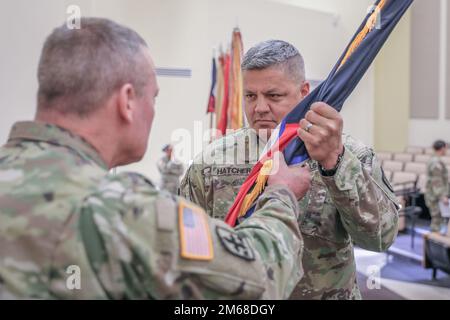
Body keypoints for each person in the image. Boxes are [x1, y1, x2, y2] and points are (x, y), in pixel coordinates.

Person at [0, 19, 312, 300]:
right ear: (127, 102)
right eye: (154, 97)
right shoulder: (125, 210)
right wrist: (281, 195)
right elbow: (258, 281)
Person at [181, 40, 400, 300]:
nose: (259, 107)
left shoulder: (347, 154)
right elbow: (188, 248)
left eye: (274, 96)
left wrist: (334, 162)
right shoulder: (212, 162)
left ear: (304, 92)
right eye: (250, 96)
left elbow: (380, 237)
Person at [425, 140, 449, 233]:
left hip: (433, 194)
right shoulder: (436, 162)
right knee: (437, 221)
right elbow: (437, 181)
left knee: (437, 220)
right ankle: (434, 244)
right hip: (435, 196)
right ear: (442, 148)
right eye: (446, 148)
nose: (446, 150)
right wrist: (442, 196)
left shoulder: (433, 159)